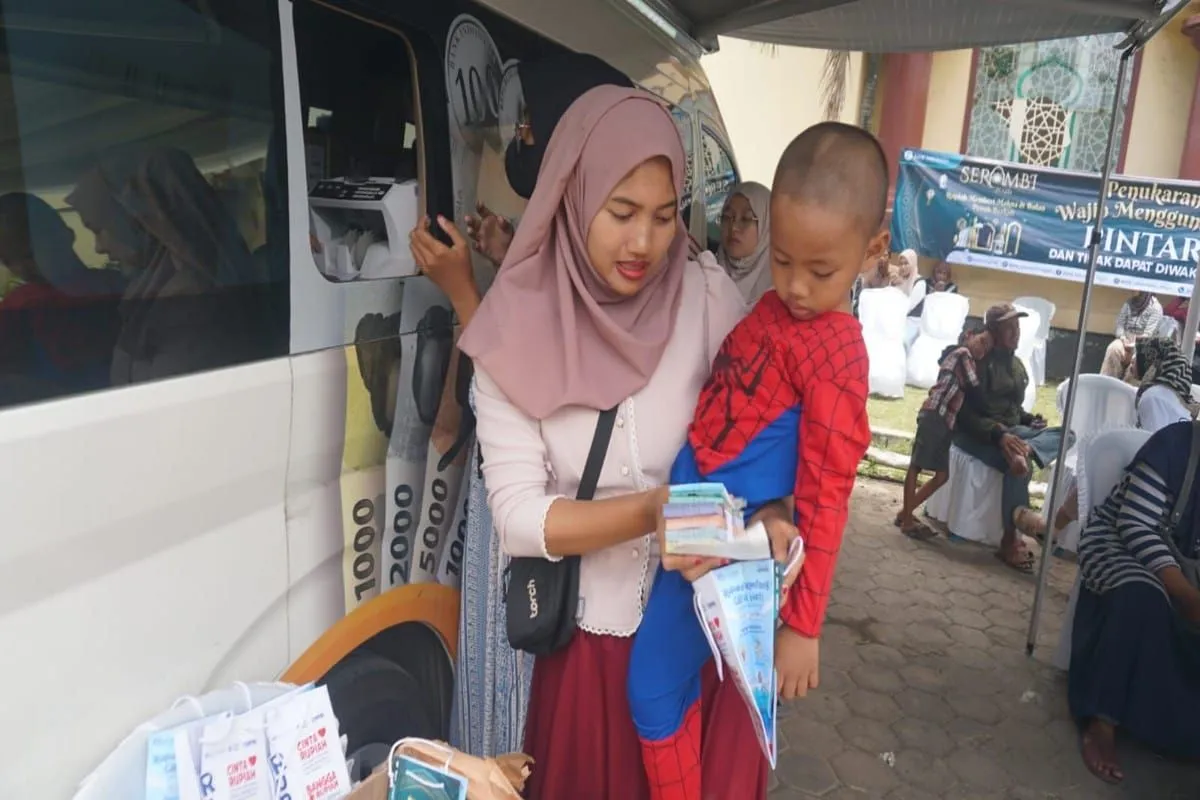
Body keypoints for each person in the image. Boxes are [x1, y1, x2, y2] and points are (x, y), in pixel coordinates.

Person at [455, 86, 773, 799]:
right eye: (621, 213)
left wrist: (777, 516)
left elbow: (764, 428)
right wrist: (651, 511)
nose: (644, 244)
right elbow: (519, 519)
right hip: (590, 658)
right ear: (573, 195)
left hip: (703, 643)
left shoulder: (705, 297)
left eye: (663, 216)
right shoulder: (513, 331)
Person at [626, 122, 882, 800]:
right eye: (785, 260)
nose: (796, 286)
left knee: (651, 689)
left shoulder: (839, 355)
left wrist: (804, 626)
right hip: (690, 525)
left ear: (873, 251)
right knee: (665, 690)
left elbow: (827, 495)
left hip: (726, 546)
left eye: (821, 271)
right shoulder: (771, 308)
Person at [409, 52, 638, 763]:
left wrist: (463, 290)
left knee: (511, 675)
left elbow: (526, 378)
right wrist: (509, 256)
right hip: (539, 505)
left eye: (538, 125)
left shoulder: (587, 254)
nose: (523, 139)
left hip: (536, 504)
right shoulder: (574, 237)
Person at [1070, 420, 1200, 784]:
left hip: (1187, 567)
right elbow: (1135, 524)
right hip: (1118, 542)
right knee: (1141, 598)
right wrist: (1186, 595)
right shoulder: (1174, 444)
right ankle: (1102, 722)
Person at [66, 148, 264, 385]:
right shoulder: (156, 289)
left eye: (99, 229)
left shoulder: (191, 305)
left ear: (136, 220)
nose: (98, 247)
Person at [465, 52, 634, 266]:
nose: (521, 136)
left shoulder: (619, 245)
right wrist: (510, 260)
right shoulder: (562, 226)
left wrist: (460, 283)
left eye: (530, 124)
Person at [954, 303, 1067, 572]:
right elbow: (965, 414)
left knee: (1066, 434)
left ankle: (1025, 449)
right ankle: (1009, 541)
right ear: (993, 330)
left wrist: (1029, 421)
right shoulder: (977, 361)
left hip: (1013, 433)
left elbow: (1013, 409)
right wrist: (999, 434)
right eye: (1009, 328)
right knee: (1017, 467)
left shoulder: (1016, 365)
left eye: (1017, 327)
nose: (1016, 333)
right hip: (977, 435)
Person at [1050, 336, 1197, 537]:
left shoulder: (1153, 396)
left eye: (1139, 355)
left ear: (1151, 361)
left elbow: (1153, 442)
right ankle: (1056, 530)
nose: (1132, 361)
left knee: (1096, 471)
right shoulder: (1170, 393)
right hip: (1173, 472)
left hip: (1159, 477)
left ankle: (1053, 531)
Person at [895, 327, 992, 540]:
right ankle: (907, 521)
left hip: (945, 421)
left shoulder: (965, 359)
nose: (983, 350)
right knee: (916, 466)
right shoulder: (963, 354)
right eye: (982, 342)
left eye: (987, 349)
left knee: (942, 476)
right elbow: (975, 389)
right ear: (969, 335)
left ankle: (904, 513)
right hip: (935, 415)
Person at [704, 181, 772, 303]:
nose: (733, 227)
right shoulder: (705, 276)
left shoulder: (780, 290)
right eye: (727, 216)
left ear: (766, 226)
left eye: (746, 219)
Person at [1100, 291, 1162, 380]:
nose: (1132, 291)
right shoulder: (1128, 303)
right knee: (1113, 349)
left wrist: (1134, 345)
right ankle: (1106, 382)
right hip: (1125, 338)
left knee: (1137, 360)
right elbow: (1120, 324)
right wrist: (1122, 337)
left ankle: (1126, 386)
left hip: (1143, 343)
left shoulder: (1155, 307)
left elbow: (1149, 334)